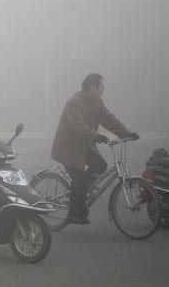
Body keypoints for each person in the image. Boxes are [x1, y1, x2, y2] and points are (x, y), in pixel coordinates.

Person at [51, 74, 137, 224]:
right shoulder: (74, 102)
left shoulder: (97, 102)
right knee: (78, 179)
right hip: (68, 148)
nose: (103, 90)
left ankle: (81, 191)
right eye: (101, 87)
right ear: (92, 88)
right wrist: (96, 136)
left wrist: (127, 133)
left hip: (83, 145)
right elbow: (77, 126)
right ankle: (75, 213)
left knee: (100, 165)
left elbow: (109, 119)